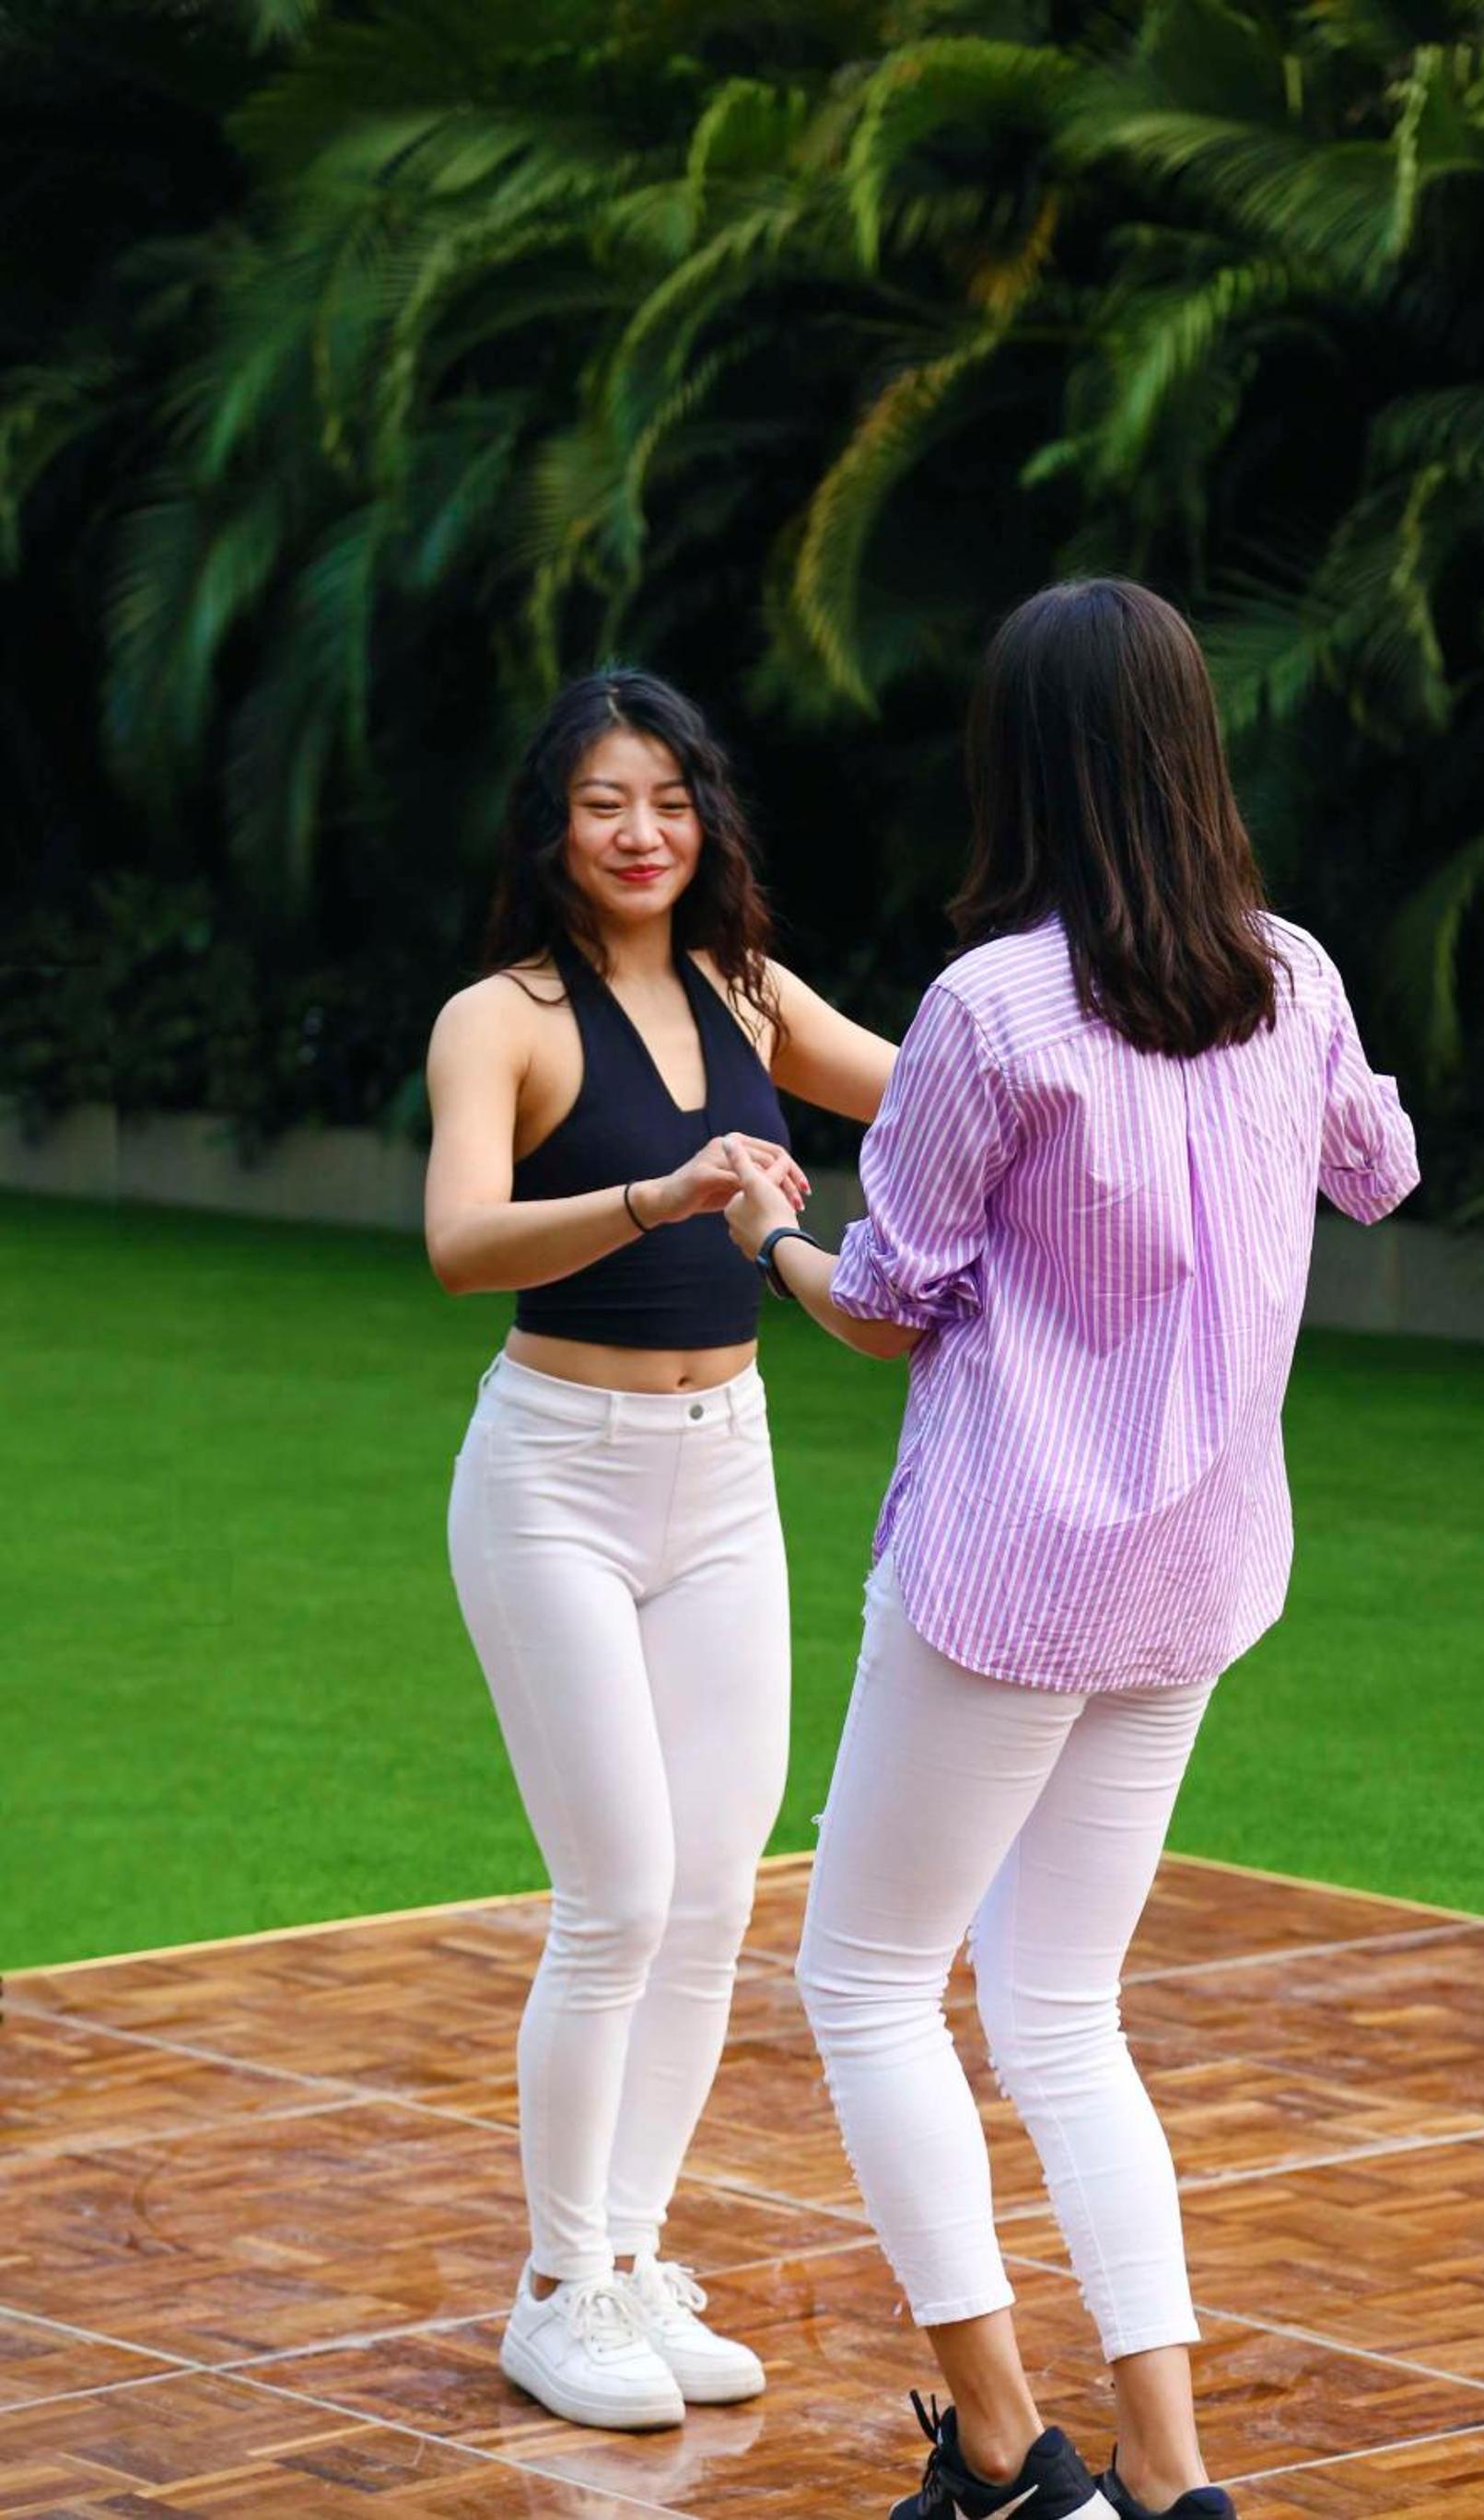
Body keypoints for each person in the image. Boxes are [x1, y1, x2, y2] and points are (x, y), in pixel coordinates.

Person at [722, 578, 1420, 2520]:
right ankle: (1171, 2475)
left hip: (1005, 1581)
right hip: (1193, 1578)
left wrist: (765, 1239)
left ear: (1019, 766)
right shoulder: (1293, 976)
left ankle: (1007, 2451)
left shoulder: (991, 1009)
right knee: (1059, 2007)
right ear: (1195, 753)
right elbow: (1380, 1170)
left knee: (869, 1985)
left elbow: (886, 1305)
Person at [426, 668, 895, 2432]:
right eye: (605, 802)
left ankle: (624, 2259)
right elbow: (461, 1241)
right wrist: (661, 1195)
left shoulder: (749, 989)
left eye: (671, 801)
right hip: (554, 1475)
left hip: (727, 1474)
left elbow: (936, 1093)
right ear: (554, 825)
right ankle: (555, 2292)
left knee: (713, 1897)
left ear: (709, 821)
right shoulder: (503, 1019)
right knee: (617, 1897)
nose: (642, 834)